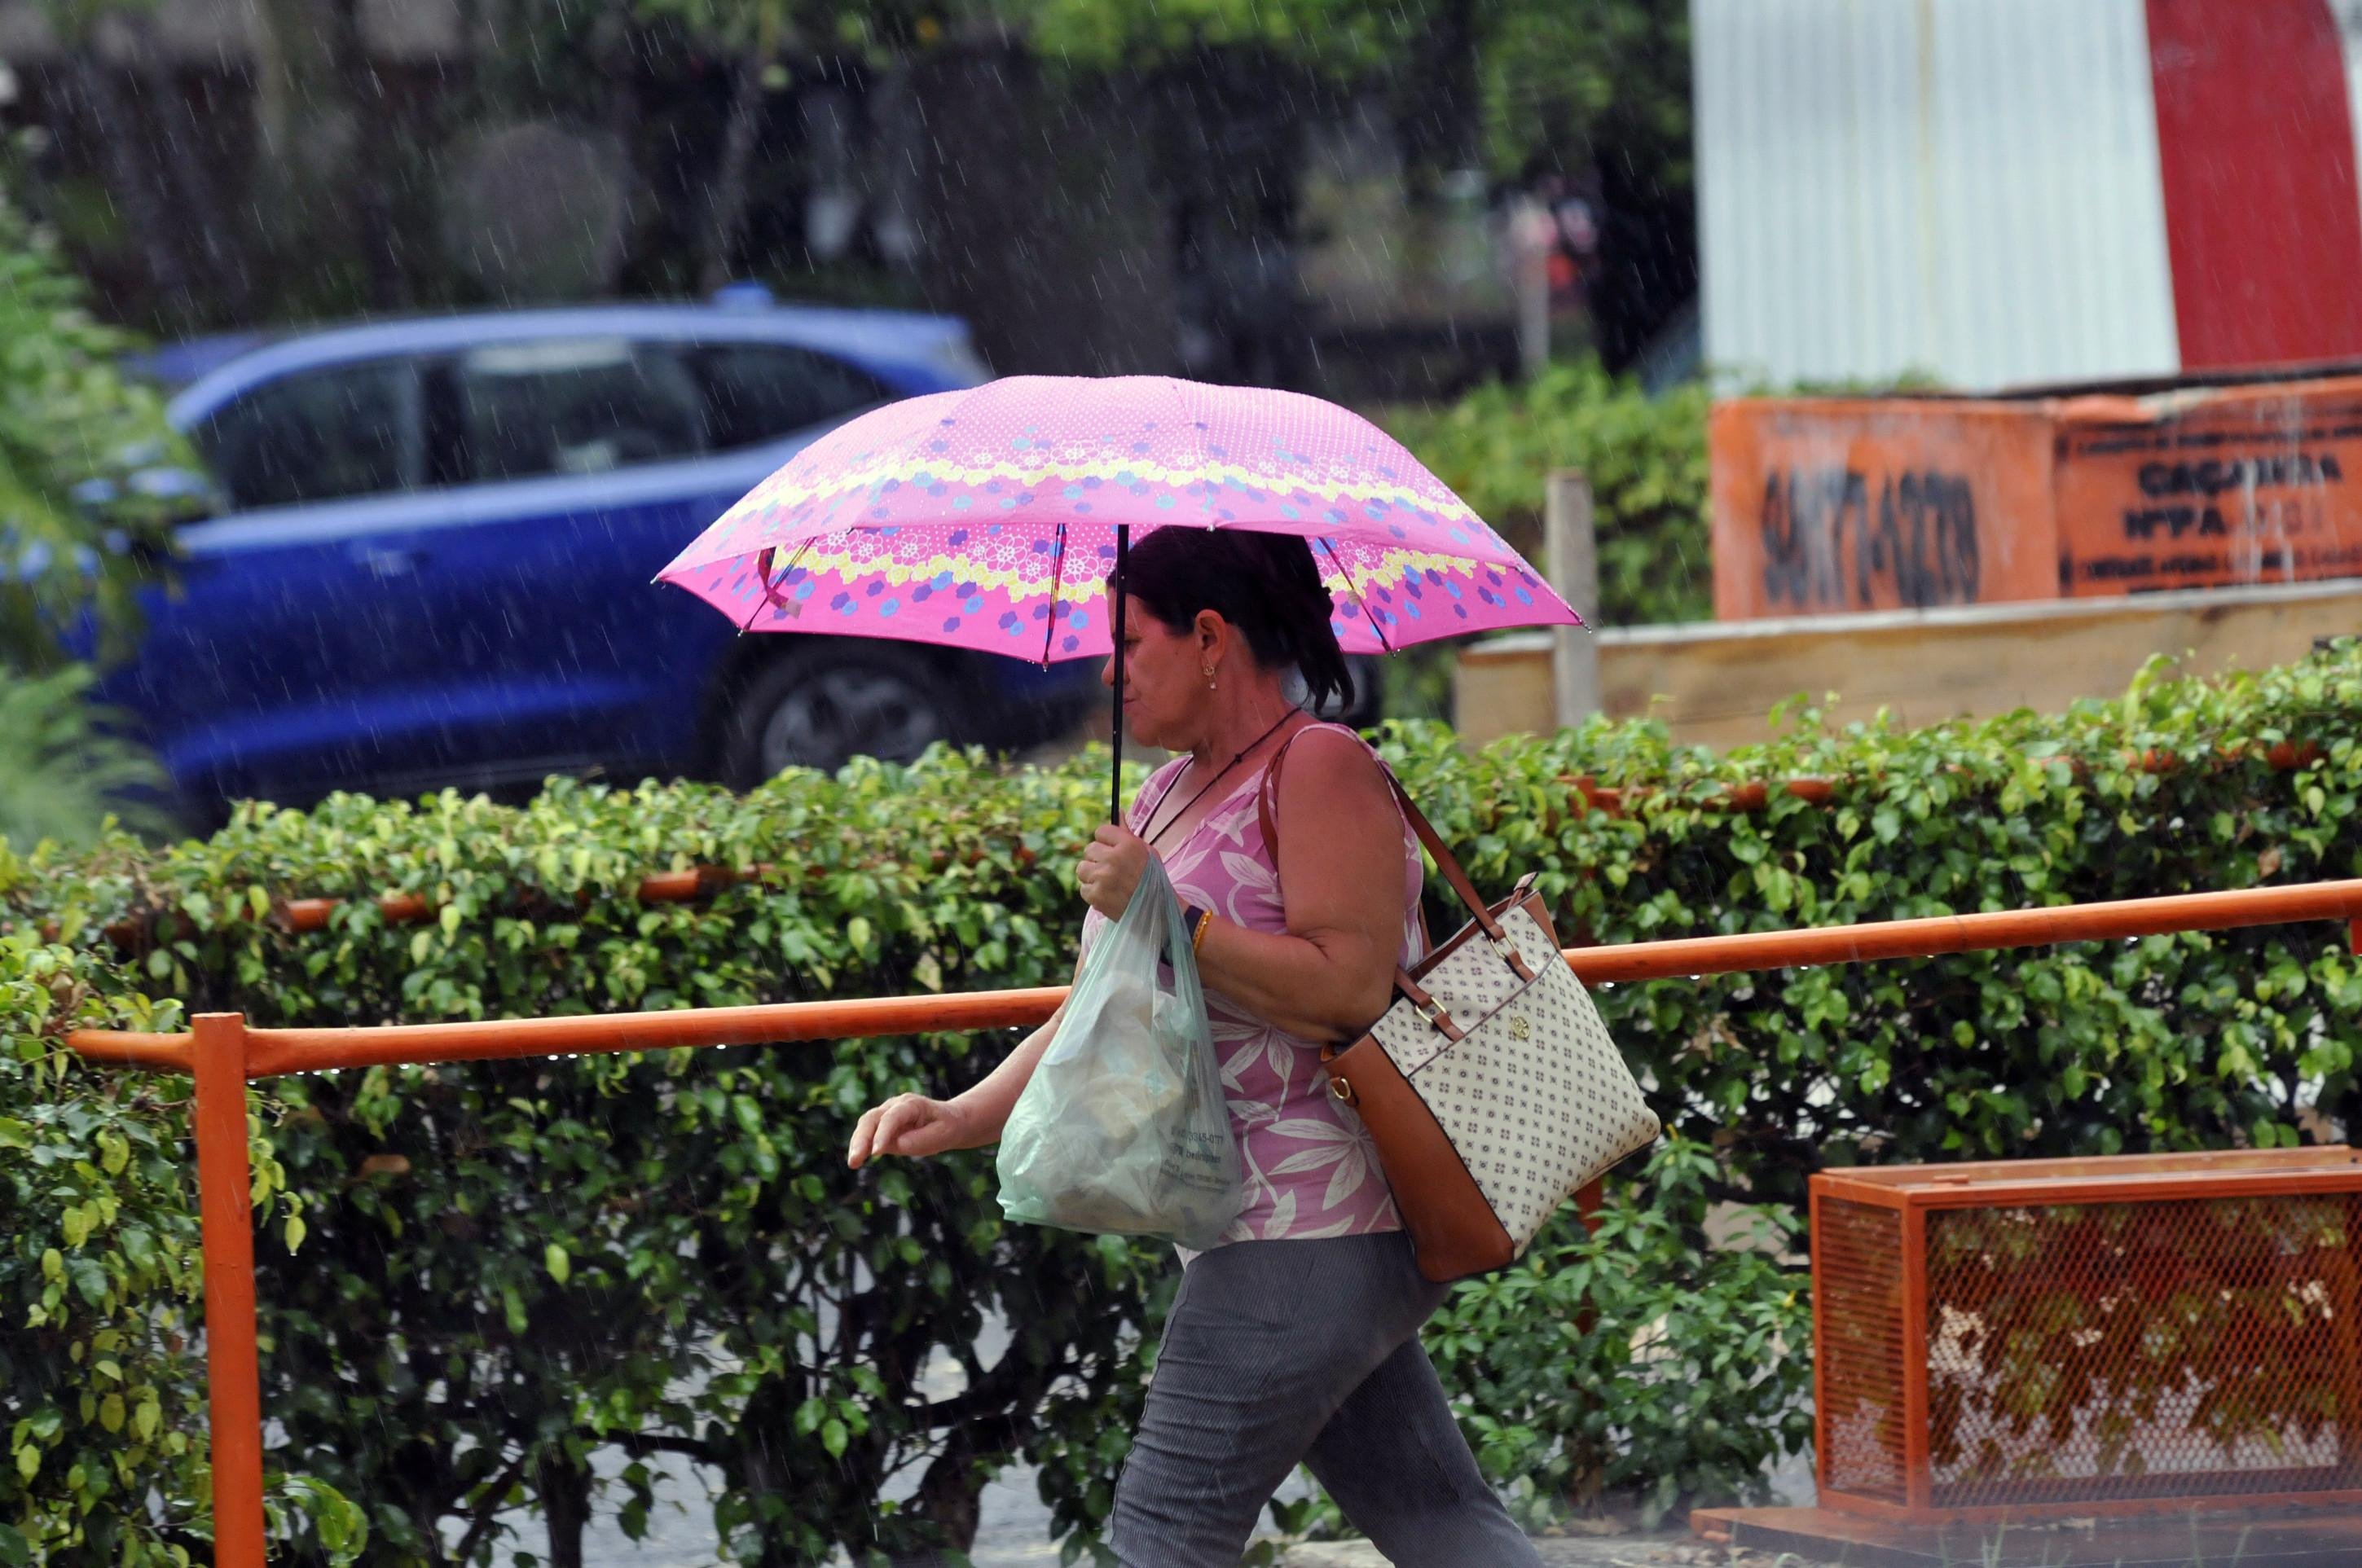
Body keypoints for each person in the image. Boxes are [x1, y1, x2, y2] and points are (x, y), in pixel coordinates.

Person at [847, 529, 1543, 1567]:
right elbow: (1101, 1006)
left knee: (1163, 1533)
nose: (1108, 671)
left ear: (1210, 638)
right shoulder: (1163, 795)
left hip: (1322, 1218)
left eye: (1129, 642)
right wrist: (961, 1113)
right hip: (1262, 1228)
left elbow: (1349, 989)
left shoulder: (1320, 765)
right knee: (1440, 1522)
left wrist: (1171, 912)